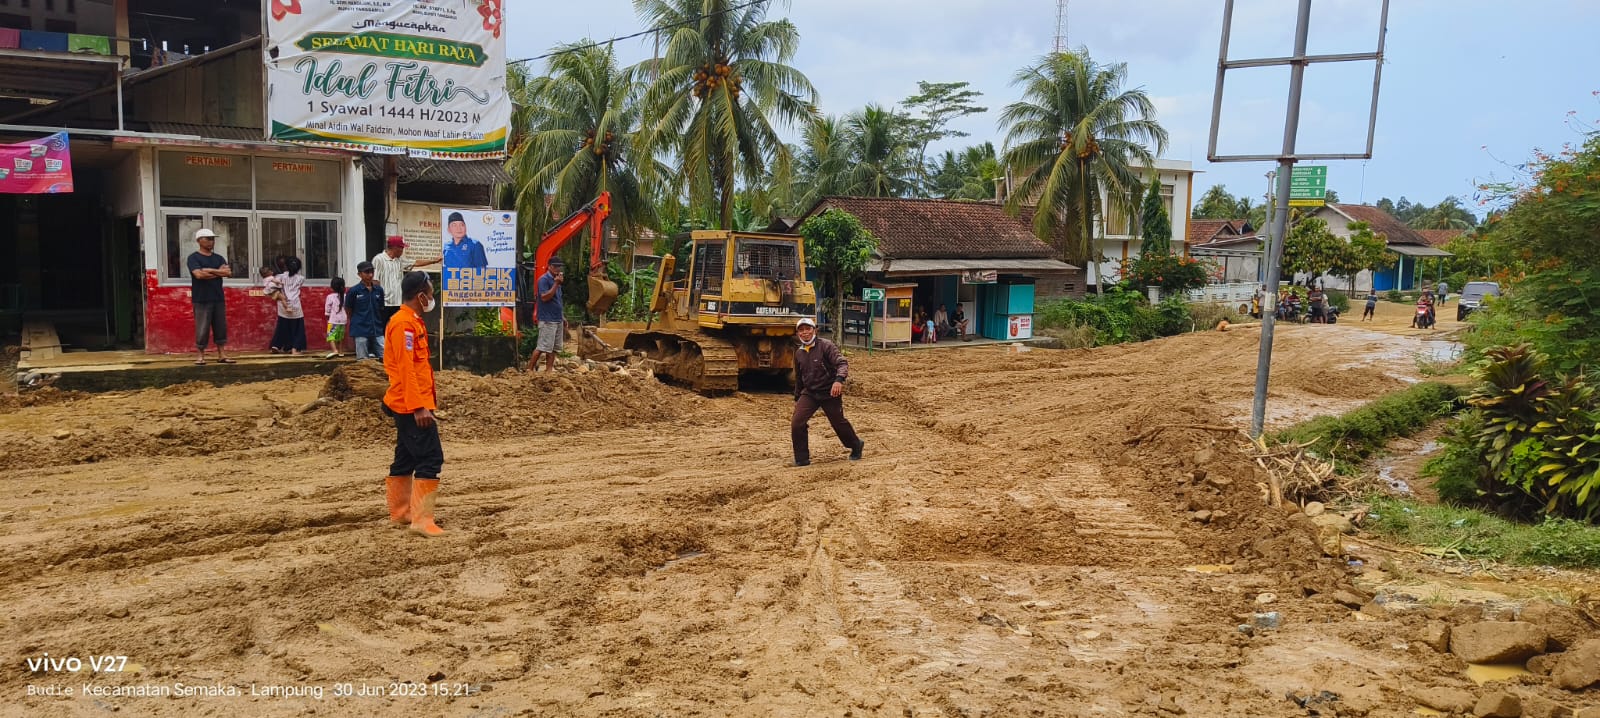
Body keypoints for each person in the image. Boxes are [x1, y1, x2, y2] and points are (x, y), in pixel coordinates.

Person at [383, 271, 446, 537]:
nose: (432, 297)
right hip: (411, 405)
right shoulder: (403, 325)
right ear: (421, 296)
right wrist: (419, 406)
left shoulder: (412, 322)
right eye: (430, 293)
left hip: (410, 402)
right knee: (431, 458)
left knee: (405, 457)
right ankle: (421, 520)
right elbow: (406, 369)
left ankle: (401, 513)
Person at [790, 317, 863, 467]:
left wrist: (838, 380)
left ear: (814, 330)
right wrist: (798, 396)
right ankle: (802, 459)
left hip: (830, 391)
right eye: (801, 330)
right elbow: (799, 376)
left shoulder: (826, 346)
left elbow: (841, 363)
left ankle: (856, 445)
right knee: (797, 423)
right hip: (810, 393)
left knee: (838, 422)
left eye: (808, 329)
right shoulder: (799, 353)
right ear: (798, 333)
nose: (805, 333)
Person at [187, 228, 234, 366]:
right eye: (208, 238)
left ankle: (222, 354)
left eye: (212, 239)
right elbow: (199, 275)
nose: (211, 241)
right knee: (202, 328)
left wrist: (210, 270)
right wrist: (218, 272)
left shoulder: (218, 257)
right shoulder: (193, 258)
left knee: (220, 327)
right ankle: (201, 355)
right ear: (199, 241)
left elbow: (228, 273)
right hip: (201, 298)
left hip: (218, 297)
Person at [372, 236, 442, 326]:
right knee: (383, 329)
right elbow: (375, 281)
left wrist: (434, 261)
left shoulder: (399, 260)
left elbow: (415, 262)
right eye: (401, 248)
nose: (403, 250)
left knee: (396, 326)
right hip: (384, 304)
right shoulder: (379, 259)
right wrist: (377, 299)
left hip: (397, 302)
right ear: (395, 248)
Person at [528, 257, 566, 372]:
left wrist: (562, 316)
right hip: (547, 319)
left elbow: (557, 300)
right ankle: (529, 369)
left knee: (554, 347)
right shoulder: (544, 280)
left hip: (557, 318)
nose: (557, 269)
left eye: (559, 267)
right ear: (549, 266)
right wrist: (556, 284)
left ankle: (549, 370)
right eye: (555, 266)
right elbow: (544, 297)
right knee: (542, 346)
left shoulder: (557, 280)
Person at [346, 261, 386, 360]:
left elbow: (381, 307)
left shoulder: (379, 290)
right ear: (359, 274)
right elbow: (348, 309)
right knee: (362, 359)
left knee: (385, 356)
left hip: (377, 328)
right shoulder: (354, 291)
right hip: (360, 329)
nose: (370, 275)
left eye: (372, 272)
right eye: (367, 272)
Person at [270, 256, 307, 355]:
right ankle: (295, 348)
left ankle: (276, 345)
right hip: (295, 305)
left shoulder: (280, 277)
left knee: (282, 325)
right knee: (297, 327)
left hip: (283, 304)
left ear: (285, 266)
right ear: (298, 268)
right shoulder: (301, 278)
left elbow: (271, 283)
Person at [324, 277, 348, 358]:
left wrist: (327, 315)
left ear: (332, 286)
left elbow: (327, 308)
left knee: (331, 336)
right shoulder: (345, 296)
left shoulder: (330, 297)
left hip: (333, 319)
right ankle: (341, 351)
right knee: (340, 336)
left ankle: (334, 350)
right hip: (343, 320)